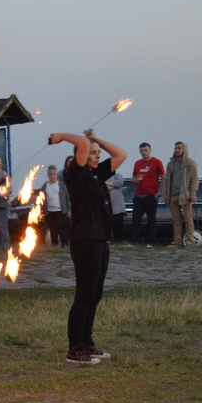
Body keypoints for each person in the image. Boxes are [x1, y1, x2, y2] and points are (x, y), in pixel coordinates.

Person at [47, 129, 127, 365]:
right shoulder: (76, 175)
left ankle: (87, 344)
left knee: (95, 295)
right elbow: (81, 143)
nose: (97, 155)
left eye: (98, 153)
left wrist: (98, 139)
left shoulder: (97, 174)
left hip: (101, 239)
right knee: (84, 295)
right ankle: (74, 349)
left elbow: (121, 154)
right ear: (81, 156)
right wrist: (61, 136)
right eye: (92, 153)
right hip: (85, 240)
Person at [161, 142, 199, 247]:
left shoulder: (190, 163)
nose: (177, 150)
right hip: (173, 195)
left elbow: (194, 179)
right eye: (175, 148)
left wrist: (193, 193)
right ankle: (177, 241)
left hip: (185, 195)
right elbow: (167, 180)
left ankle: (190, 241)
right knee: (176, 220)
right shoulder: (170, 164)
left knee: (188, 218)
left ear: (184, 149)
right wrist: (166, 194)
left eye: (179, 148)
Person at [130, 142, 165, 246]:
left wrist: (160, 193)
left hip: (151, 196)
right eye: (141, 151)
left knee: (151, 221)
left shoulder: (156, 162)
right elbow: (133, 177)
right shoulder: (137, 163)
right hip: (139, 195)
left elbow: (163, 177)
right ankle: (134, 243)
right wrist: (135, 180)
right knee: (136, 221)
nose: (143, 153)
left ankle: (150, 243)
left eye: (145, 150)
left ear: (150, 150)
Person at [39, 165, 70, 247]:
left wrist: (68, 210)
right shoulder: (45, 186)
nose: (52, 176)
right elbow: (41, 198)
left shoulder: (61, 186)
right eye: (50, 174)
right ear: (47, 175)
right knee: (53, 229)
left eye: (54, 174)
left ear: (56, 175)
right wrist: (42, 210)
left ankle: (64, 244)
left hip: (60, 210)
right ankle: (54, 245)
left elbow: (67, 198)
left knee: (62, 229)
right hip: (49, 211)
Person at [107, 172, 126, 243]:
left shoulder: (118, 175)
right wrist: (113, 185)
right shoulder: (102, 175)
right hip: (106, 206)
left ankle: (119, 242)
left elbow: (120, 182)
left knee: (118, 225)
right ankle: (109, 241)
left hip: (118, 207)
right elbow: (99, 183)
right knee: (108, 225)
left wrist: (107, 183)